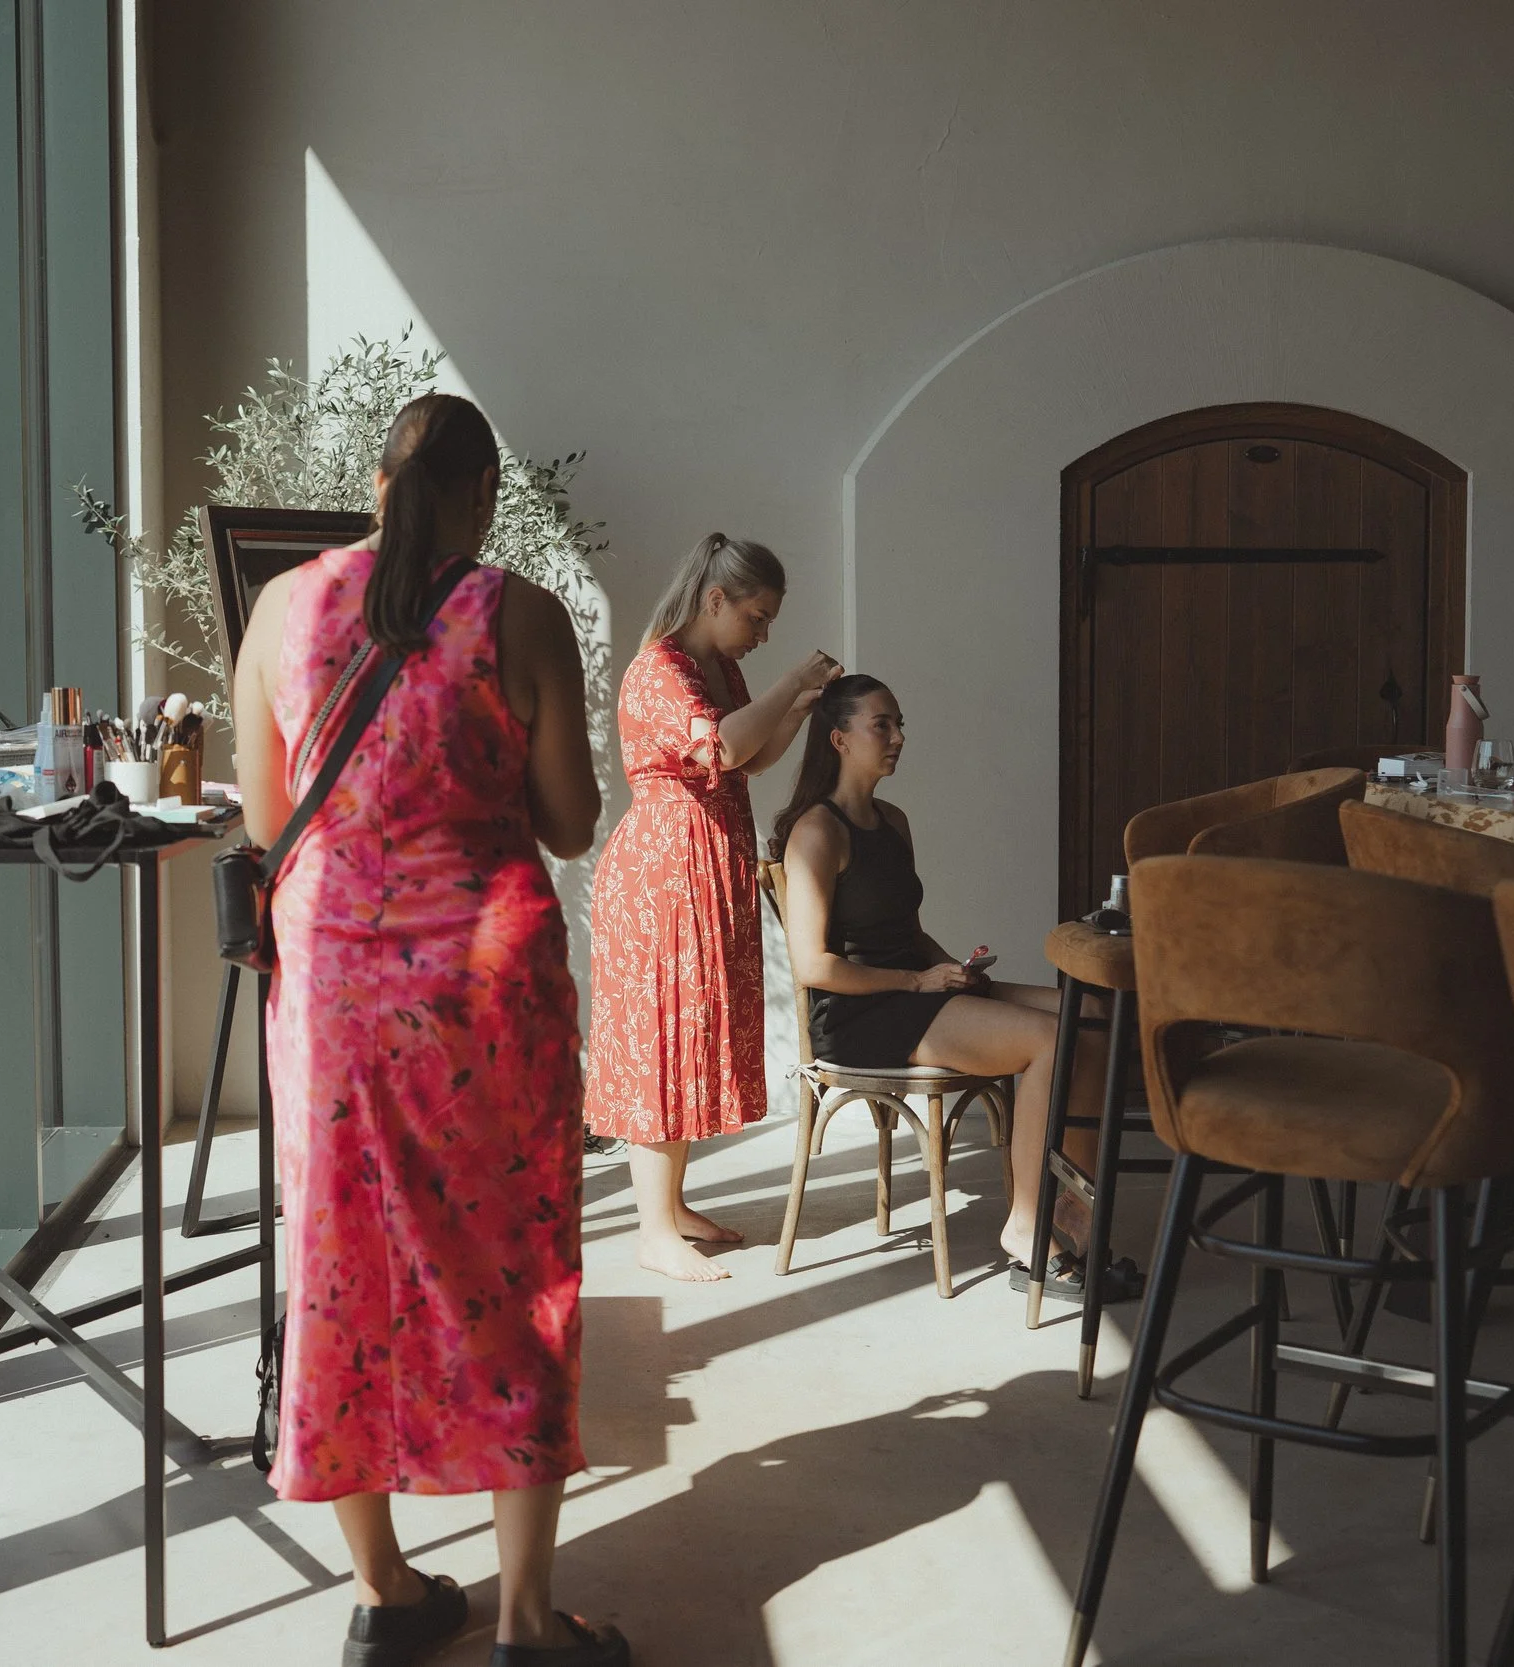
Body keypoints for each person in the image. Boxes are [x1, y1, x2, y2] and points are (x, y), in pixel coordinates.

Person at [232, 392, 625, 1667]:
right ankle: (523, 1623)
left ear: (375, 486)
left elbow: (265, 811)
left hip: (338, 995)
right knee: (514, 1274)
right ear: (481, 497)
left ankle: (388, 1592)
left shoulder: (282, 608)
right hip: (484, 998)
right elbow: (569, 821)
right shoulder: (517, 612)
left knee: (342, 1272)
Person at [773, 676, 1129, 1294]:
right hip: (859, 1016)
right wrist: (917, 982)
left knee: (1090, 1013)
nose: (898, 737)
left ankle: (1075, 1205)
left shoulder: (894, 822)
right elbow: (814, 967)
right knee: (1048, 1040)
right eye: (881, 725)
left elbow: (908, 931)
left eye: (898, 723)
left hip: (912, 990)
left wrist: (951, 969)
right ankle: (1025, 1225)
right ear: (839, 739)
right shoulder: (816, 833)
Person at [584, 534, 840, 1282]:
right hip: (665, 873)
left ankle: (673, 1206)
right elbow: (724, 747)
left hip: (702, 864)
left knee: (692, 1035)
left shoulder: (716, 667)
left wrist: (795, 705)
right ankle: (652, 1230)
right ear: (715, 598)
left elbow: (750, 755)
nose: (762, 636)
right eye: (756, 618)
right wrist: (790, 678)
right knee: (664, 1041)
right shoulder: (661, 668)